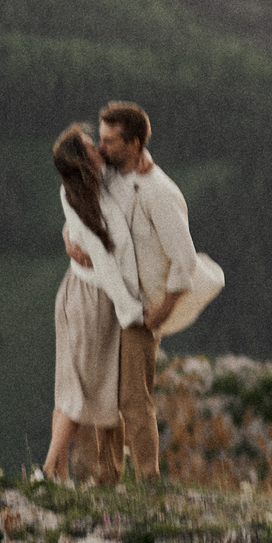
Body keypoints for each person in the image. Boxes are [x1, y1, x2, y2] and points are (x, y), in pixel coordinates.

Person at [71, 100, 199, 480]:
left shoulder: (158, 191)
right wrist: (69, 241)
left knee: (132, 398)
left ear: (134, 143)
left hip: (143, 308)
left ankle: (149, 478)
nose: (101, 148)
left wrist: (164, 308)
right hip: (109, 300)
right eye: (102, 138)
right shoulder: (109, 177)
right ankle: (106, 478)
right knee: (103, 394)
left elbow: (186, 258)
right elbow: (81, 210)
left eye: (110, 141)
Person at [43, 123, 141, 483]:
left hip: (76, 293)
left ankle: (59, 474)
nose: (99, 147)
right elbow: (105, 266)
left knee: (69, 385)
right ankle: (49, 468)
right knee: (79, 389)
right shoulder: (87, 202)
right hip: (92, 300)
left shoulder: (81, 191)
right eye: (90, 146)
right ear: (82, 161)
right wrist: (130, 310)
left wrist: (67, 236)